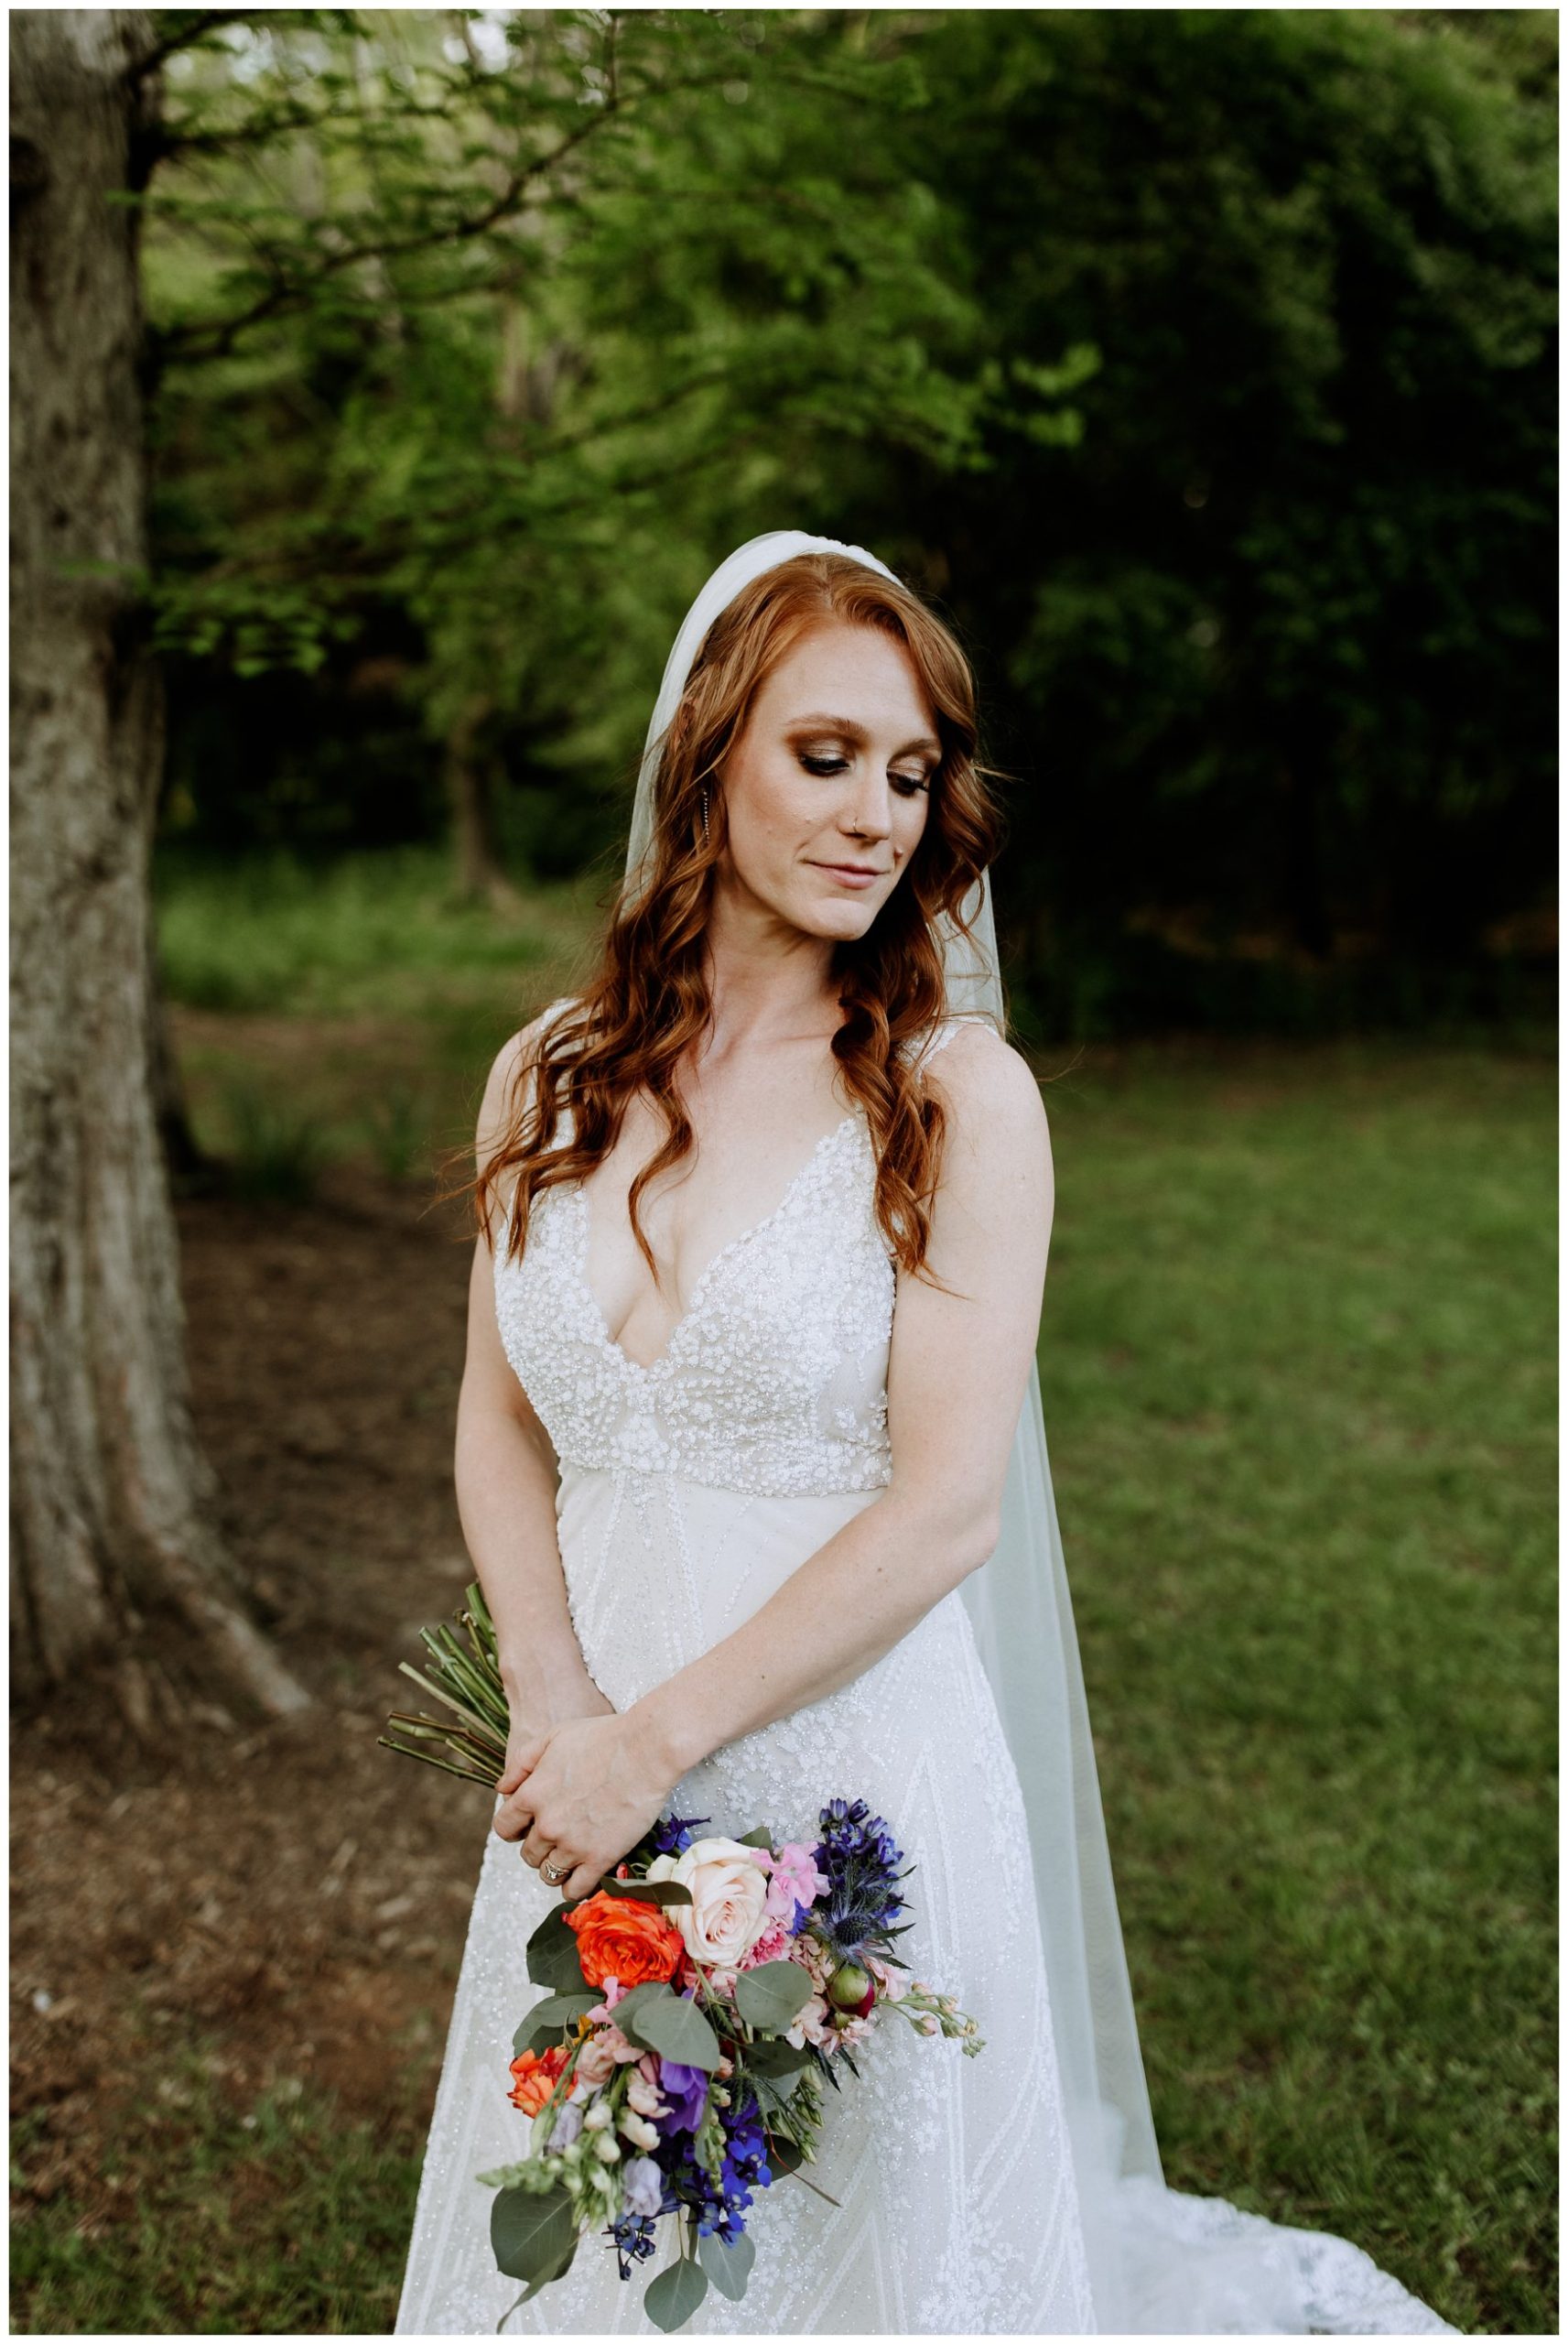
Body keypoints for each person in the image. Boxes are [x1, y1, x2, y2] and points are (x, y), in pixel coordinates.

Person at [395, 533, 1456, 2335]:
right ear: (705, 760)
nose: (875, 815)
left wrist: (656, 1740)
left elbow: (950, 1506)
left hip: (841, 1771)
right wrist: (560, 1707)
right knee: (604, 2225)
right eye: (824, 757)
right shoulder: (545, 1075)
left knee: (859, 2253)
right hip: (578, 1773)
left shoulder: (953, 1097)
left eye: (908, 773)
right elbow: (497, 1421)